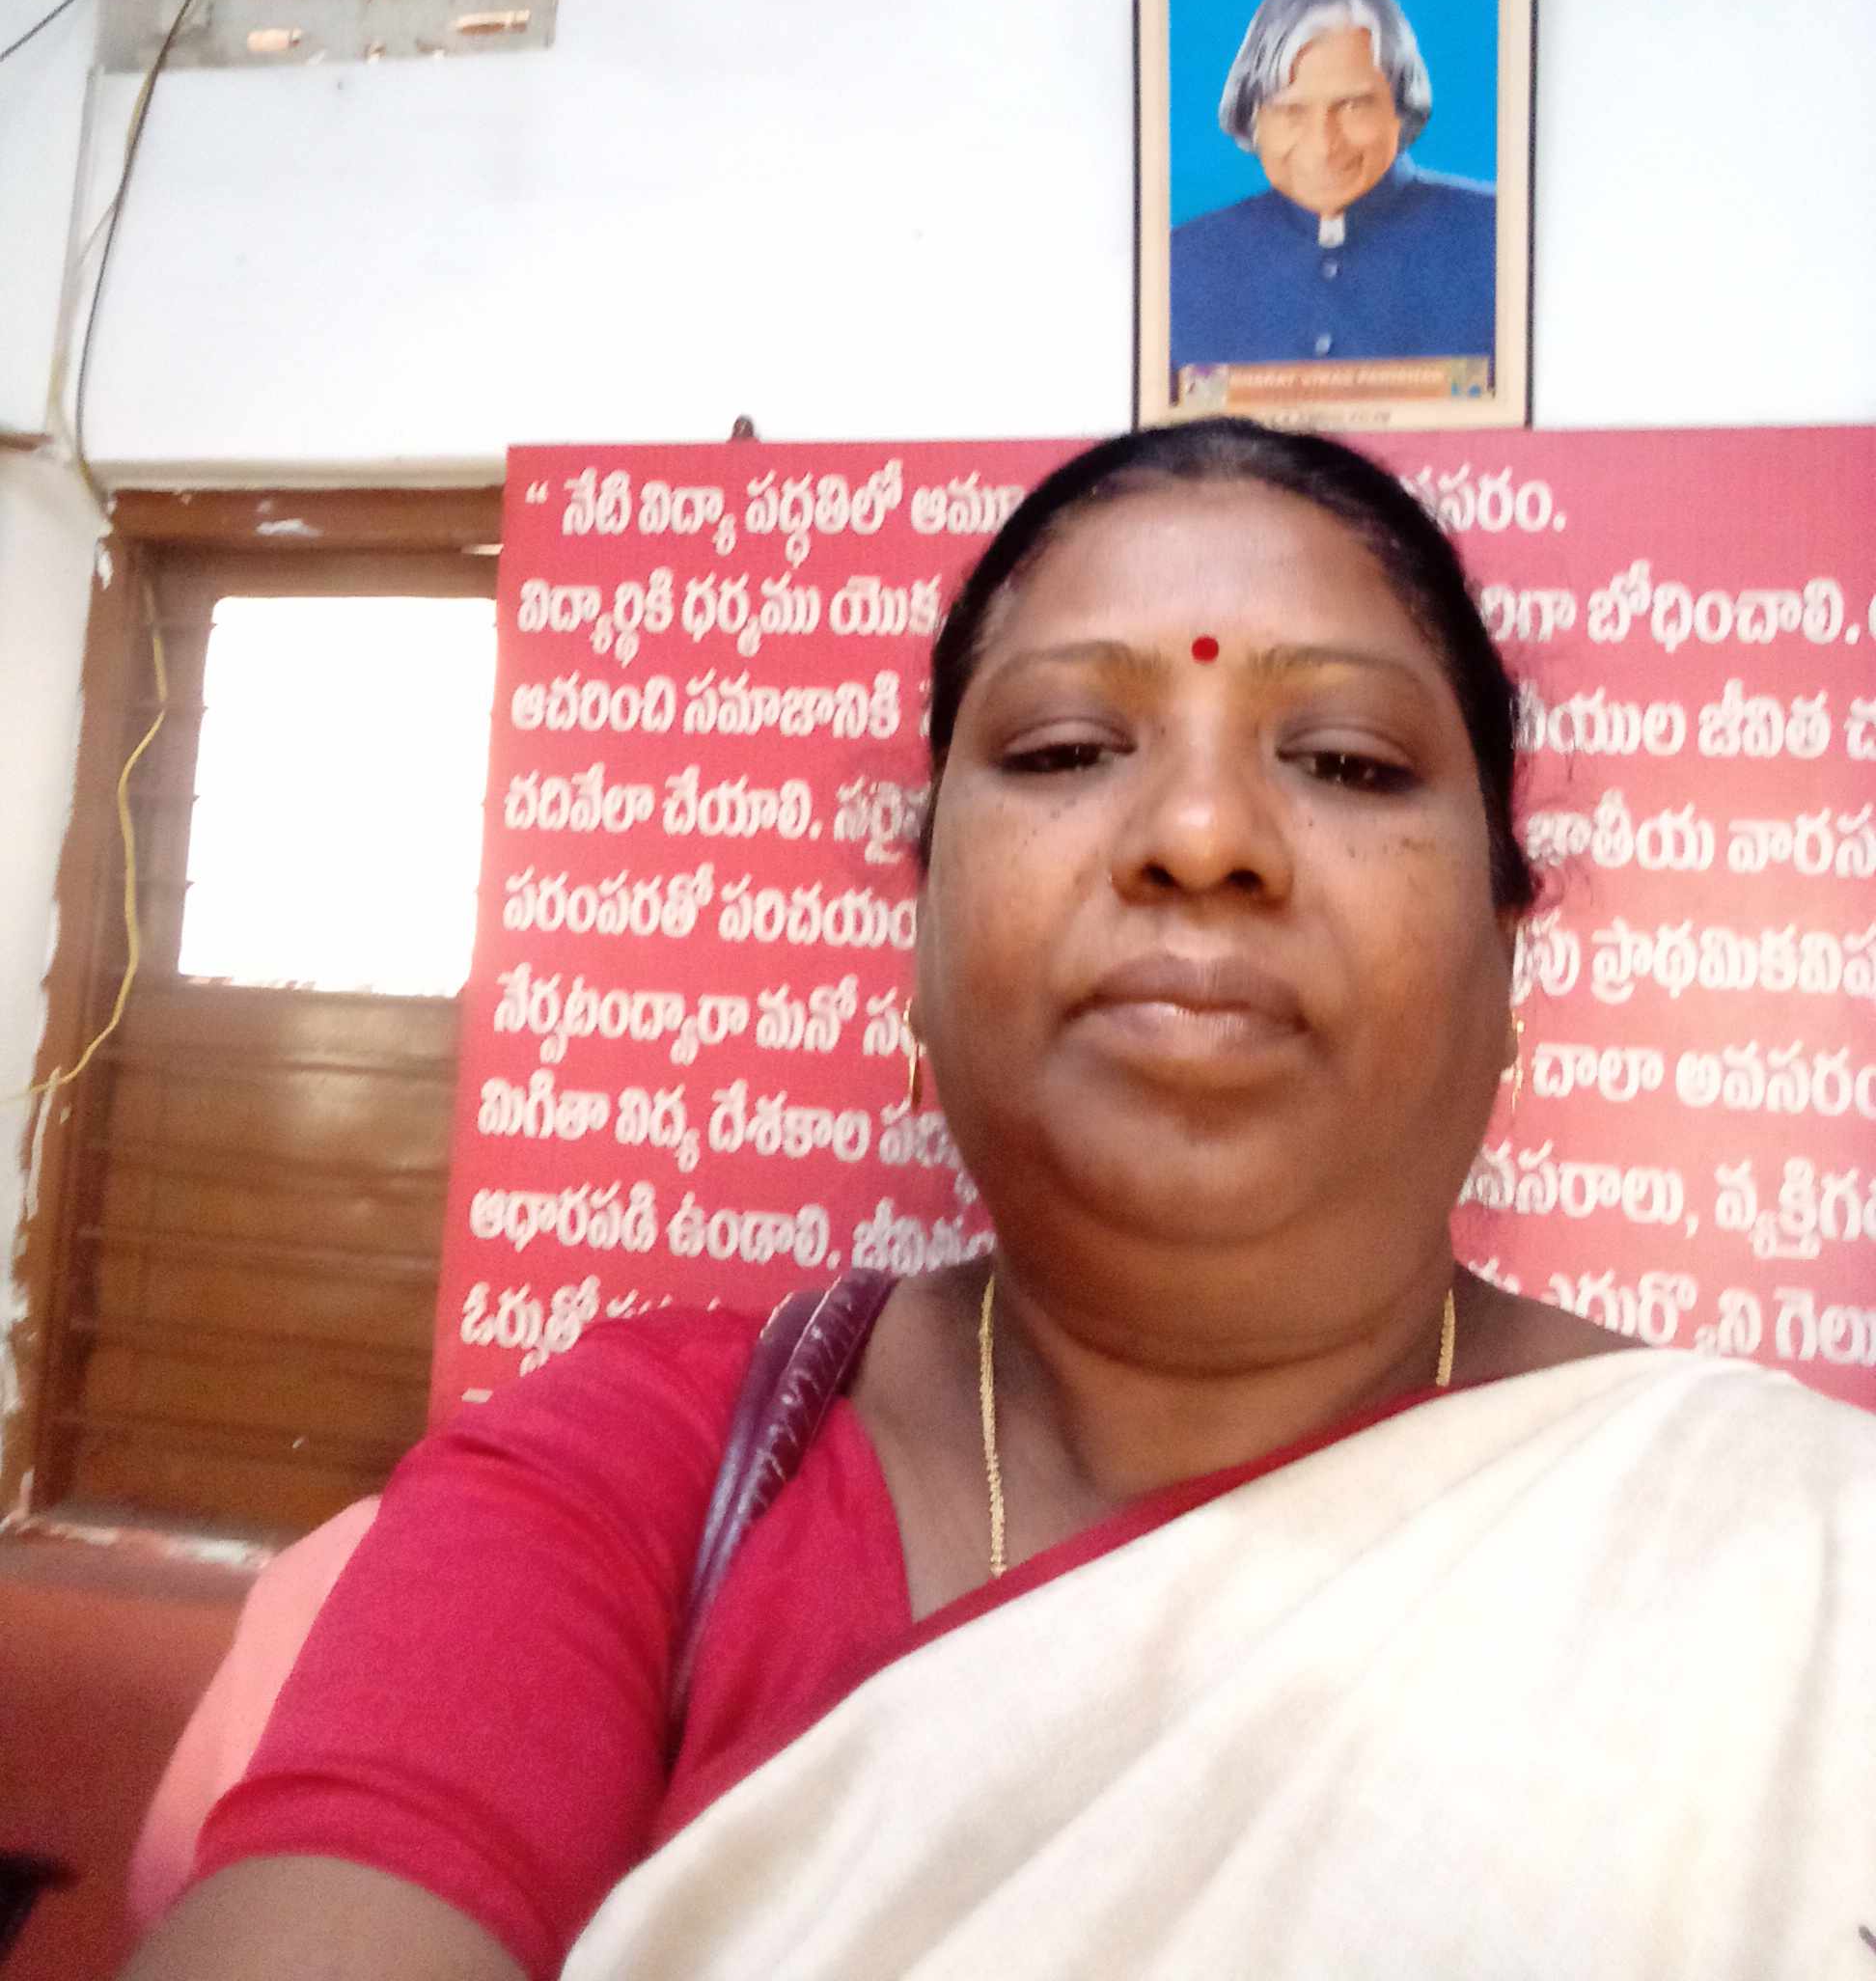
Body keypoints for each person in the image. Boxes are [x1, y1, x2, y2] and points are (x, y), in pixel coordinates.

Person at [124, 422, 1873, 1981]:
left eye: (1344, 758)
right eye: (1062, 748)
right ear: (918, 939)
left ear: (1506, 956)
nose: (1202, 832)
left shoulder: (1796, 1562)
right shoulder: (625, 1479)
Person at [1169, 0, 1498, 373]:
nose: (1323, 145)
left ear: (1401, 108)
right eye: (1290, 110)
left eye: (1353, 106)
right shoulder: (1181, 262)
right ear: (1252, 120)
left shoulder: (1496, 238)